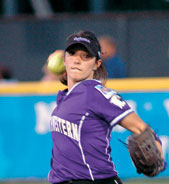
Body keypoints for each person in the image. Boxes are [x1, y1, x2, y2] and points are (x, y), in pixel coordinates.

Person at [48, 31, 165, 184]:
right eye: (72, 54)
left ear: (97, 64)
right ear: (64, 59)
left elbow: (141, 128)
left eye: (86, 56)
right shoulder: (66, 96)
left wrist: (159, 156)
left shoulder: (96, 93)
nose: (77, 60)